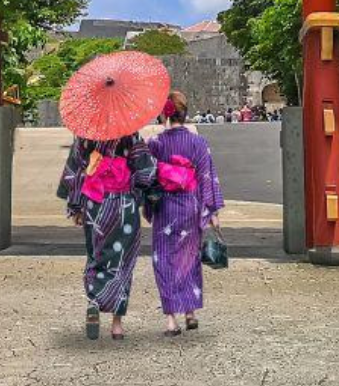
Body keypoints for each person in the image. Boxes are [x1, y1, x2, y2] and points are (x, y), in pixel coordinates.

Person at [59, 131, 159, 340]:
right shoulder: (130, 135)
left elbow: (75, 171)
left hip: (95, 204)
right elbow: (146, 172)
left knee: (96, 254)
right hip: (123, 205)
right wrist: (139, 193)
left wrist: (76, 207)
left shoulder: (85, 135)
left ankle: (94, 302)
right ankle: (117, 325)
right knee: (123, 260)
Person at [146, 92, 223, 335]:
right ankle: (190, 312)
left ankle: (171, 320)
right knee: (189, 258)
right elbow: (206, 177)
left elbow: (147, 179)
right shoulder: (198, 143)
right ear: (185, 112)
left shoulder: (155, 144)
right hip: (190, 205)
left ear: (165, 114)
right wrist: (211, 211)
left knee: (165, 259)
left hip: (166, 207)